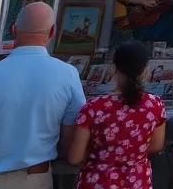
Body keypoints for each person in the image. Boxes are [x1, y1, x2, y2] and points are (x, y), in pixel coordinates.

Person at [0, 2, 86, 186]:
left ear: (13, 30)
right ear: (52, 32)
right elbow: (70, 137)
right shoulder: (67, 75)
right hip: (32, 179)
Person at [69, 41, 167, 188]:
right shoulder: (155, 105)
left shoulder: (93, 108)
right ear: (145, 70)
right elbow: (156, 146)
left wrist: (103, 154)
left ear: (114, 68)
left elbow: (75, 157)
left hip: (97, 182)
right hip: (137, 182)